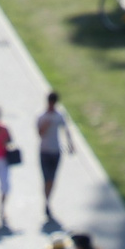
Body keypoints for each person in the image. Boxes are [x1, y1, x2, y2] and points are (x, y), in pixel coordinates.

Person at [34, 91, 73, 222]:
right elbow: (39, 133)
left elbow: (66, 129)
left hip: (56, 150)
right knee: (46, 178)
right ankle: (46, 201)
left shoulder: (59, 115)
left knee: (52, 178)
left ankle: (48, 200)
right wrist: (46, 124)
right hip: (44, 151)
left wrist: (70, 144)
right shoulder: (42, 116)